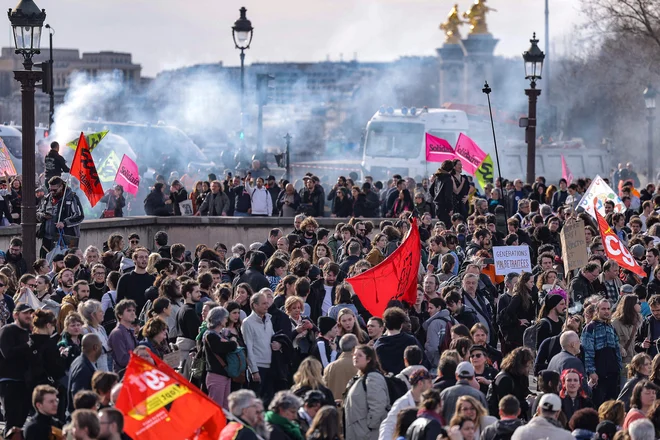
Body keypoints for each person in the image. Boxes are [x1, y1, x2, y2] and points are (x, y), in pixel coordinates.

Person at [0, 303, 34, 437]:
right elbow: (7, 353)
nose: (28, 316)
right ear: (15, 315)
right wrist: (28, 345)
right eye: (25, 313)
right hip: (9, 381)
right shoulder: (7, 330)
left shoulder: (30, 333)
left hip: (25, 382)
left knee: (21, 421)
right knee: (12, 420)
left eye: (30, 313)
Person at [581, 298, 622, 407]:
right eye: (603, 309)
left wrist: (619, 366)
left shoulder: (610, 327)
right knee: (598, 404)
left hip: (612, 372)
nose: (606, 311)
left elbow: (616, 349)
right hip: (599, 373)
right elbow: (587, 351)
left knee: (612, 405)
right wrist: (591, 371)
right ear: (597, 310)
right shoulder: (590, 327)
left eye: (608, 309)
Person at [344, 345, 389, 440]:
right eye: (354, 355)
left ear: (368, 359)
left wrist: (369, 427)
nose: (355, 357)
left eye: (359, 355)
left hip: (367, 434)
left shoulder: (373, 378)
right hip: (359, 432)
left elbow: (378, 405)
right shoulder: (359, 378)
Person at [36, 177, 84, 257]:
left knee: (66, 261)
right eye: (50, 189)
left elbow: (79, 215)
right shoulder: (47, 198)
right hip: (47, 238)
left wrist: (64, 223)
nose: (52, 192)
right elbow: (38, 212)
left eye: (54, 190)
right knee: (45, 262)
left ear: (61, 187)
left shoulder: (71, 198)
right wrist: (43, 216)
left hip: (66, 237)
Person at [379, 369, 433, 440]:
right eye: (429, 382)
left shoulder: (429, 401)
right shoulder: (402, 403)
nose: (432, 385)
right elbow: (388, 425)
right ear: (420, 383)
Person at [242, 291, 276, 401]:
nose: (267, 306)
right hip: (258, 367)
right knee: (255, 400)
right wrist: (254, 370)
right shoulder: (248, 322)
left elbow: (272, 337)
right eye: (264, 303)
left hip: (270, 366)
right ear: (255, 305)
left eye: (267, 303)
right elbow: (248, 348)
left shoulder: (268, 320)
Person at [203, 306, 239, 409]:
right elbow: (221, 348)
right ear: (218, 319)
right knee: (216, 407)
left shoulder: (220, 335)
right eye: (225, 317)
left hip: (224, 375)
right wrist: (232, 343)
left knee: (226, 407)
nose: (226, 320)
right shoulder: (210, 335)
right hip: (216, 375)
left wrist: (229, 342)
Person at [374, 307, 425, 375]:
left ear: (385, 325)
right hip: (408, 380)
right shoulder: (411, 341)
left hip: (386, 382)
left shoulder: (378, 345)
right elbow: (423, 361)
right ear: (401, 325)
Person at [487, 347, 534, 420]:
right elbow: (506, 405)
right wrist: (527, 403)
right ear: (521, 365)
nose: (529, 368)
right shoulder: (504, 379)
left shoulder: (520, 376)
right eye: (527, 366)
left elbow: (524, 391)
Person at [67, 333, 102, 413]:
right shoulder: (83, 368)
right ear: (95, 347)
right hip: (82, 418)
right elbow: (79, 396)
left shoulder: (80, 361)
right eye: (101, 344)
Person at [115, 247, 155, 315]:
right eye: (141, 257)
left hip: (147, 318)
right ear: (134, 259)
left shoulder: (152, 279)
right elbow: (119, 301)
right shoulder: (125, 278)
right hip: (130, 318)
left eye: (146, 257)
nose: (144, 259)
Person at [323, 333, 358, 404]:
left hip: (335, 410)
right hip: (354, 410)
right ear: (355, 347)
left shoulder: (330, 367)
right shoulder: (359, 366)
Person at [107, 299, 138, 372]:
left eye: (133, 310)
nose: (133, 313)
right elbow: (123, 360)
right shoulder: (117, 333)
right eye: (129, 310)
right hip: (123, 376)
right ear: (120, 315)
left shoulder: (129, 331)